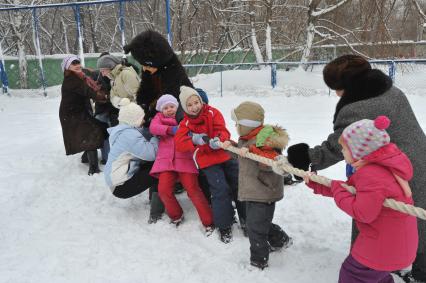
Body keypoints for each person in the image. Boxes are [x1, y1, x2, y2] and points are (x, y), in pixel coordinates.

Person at [285, 54, 426, 282]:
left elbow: (341, 145)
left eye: (336, 87)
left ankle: (370, 267)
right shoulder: (389, 90)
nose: (335, 93)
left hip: (389, 172)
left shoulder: (357, 109)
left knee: (378, 219)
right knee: (410, 221)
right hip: (412, 162)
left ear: (347, 85)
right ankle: (410, 265)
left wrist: (305, 157)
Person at [303, 116, 418, 283]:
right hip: (395, 244)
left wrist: (336, 188)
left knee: (353, 274)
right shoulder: (379, 167)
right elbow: (351, 190)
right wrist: (317, 184)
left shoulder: (371, 174)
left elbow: (362, 212)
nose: (342, 152)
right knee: (375, 276)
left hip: (383, 246)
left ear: (359, 151)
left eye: (344, 148)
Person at [227, 101, 292, 270]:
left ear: (247, 125)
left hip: (264, 191)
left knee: (255, 228)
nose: (235, 126)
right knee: (256, 223)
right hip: (253, 189)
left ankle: (259, 260)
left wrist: (252, 151)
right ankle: (281, 240)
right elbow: (244, 158)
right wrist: (231, 147)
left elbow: (269, 163)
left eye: (237, 124)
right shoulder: (247, 139)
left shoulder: (265, 141)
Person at [175, 86, 244, 243]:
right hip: (207, 160)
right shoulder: (185, 124)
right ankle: (224, 225)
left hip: (224, 153)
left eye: (196, 102)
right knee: (220, 190)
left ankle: (246, 221)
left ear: (200, 101)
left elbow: (223, 130)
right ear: (185, 107)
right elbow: (179, 142)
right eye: (190, 105)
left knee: (238, 185)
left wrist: (219, 139)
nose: (194, 107)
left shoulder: (213, 112)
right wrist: (193, 140)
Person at [149, 94, 213, 232]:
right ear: (161, 110)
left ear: (177, 106)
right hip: (166, 162)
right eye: (165, 108)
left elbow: (192, 131)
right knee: (163, 190)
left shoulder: (184, 117)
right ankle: (176, 215)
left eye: (172, 106)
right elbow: (153, 128)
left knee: (193, 190)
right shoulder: (159, 118)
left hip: (185, 159)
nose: (169, 110)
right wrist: (170, 129)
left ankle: (208, 221)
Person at [104, 98, 164, 222]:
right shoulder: (129, 136)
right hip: (121, 186)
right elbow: (152, 153)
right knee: (160, 168)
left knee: (152, 166)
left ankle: (153, 199)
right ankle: (156, 213)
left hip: (116, 182)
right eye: (141, 118)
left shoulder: (122, 131)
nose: (144, 120)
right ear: (134, 120)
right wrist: (156, 136)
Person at [123, 30, 193, 127]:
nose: (144, 69)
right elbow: (145, 91)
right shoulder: (149, 69)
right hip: (158, 108)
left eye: (147, 65)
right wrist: (141, 108)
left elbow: (168, 99)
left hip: (176, 108)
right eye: (142, 65)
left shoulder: (173, 71)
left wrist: (148, 117)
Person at [59, 55, 107, 175]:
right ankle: (93, 168)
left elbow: (89, 88)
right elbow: (88, 91)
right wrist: (105, 97)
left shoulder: (79, 77)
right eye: (73, 64)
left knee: (94, 131)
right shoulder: (72, 79)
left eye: (78, 63)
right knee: (91, 134)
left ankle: (86, 158)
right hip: (71, 114)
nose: (77, 65)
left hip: (77, 111)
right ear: (67, 67)